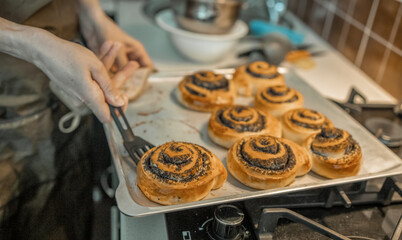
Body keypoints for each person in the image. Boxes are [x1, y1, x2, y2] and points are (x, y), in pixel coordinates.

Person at [0, 0, 152, 239]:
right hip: (9, 103)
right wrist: (32, 45)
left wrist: (92, 13)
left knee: (65, 211)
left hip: (69, 68)